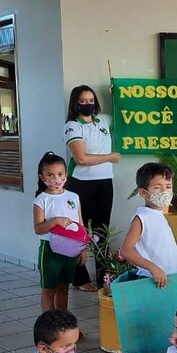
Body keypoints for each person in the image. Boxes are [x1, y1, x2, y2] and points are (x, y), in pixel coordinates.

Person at [120, 162, 177, 353]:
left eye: (168, 186)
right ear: (143, 193)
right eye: (158, 187)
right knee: (142, 340)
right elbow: (126, 250)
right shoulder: (142, 217)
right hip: (149, 285)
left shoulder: (159, 214)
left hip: (164, 285)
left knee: (162, 333)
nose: (165, 191)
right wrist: (153, 267)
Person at [64, 85, 121, 292]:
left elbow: (122, 111)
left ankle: (103, 278)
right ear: (75, 103)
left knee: (102, 231)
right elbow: (81, 158)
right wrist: (110, 157)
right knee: (79, 230)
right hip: (80, 183)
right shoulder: (72, 126)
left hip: (105, 181)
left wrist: (117, 93)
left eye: (91, 100)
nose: (88, 104)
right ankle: (79, 278)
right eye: (83, 101)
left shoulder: (103, 120)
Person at [33, 153, 85, 312]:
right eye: (50, 175)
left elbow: (80, 225)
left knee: (64, 288)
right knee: (49, 290)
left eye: (60, 174)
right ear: (42, 177)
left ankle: (63, 323)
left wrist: (83, 249)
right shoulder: (41, 200)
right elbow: (38, 229)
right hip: (50, 250)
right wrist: (55, 221)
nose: (56, 179)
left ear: (66, 174)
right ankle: (48, 326)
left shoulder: (73, 197)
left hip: (71, 250)